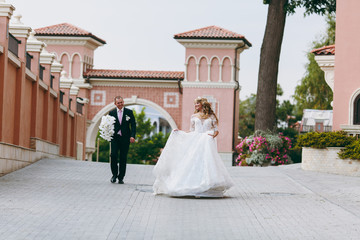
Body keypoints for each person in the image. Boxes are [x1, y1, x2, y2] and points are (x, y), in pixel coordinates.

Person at [153, 97, 234, 197]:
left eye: (197, 104)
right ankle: (192, 185)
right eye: (195, 104)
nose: (195, 105)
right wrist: (179, 132)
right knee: (194, 161)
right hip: (196, 141)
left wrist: (212, 136)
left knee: (207, 162)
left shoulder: (211, 116)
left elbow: (216, 130)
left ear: (202, 104)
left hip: (206, 141)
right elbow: (191, 130)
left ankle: (208, 185)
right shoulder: (193, 116)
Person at [108, 96, 136, 184]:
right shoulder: (111, 113)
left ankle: (121, 177)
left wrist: (132, 136)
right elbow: (108, 125)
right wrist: (108, 135)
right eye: (118, 103)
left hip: (125, 138)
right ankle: (114, 175)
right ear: (115, 104)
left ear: (123, 102)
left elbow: (133, 125)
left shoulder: (129, 112)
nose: (120, 104)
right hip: (115, 138)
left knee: (123, 158)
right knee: (113, 155)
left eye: (121, 102)